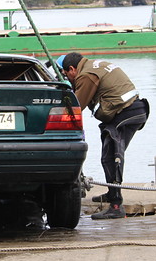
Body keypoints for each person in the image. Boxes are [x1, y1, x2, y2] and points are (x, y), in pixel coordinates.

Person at [59, 52, 149, 220]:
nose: (66, 76)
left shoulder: (86, 76)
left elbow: (76, 107)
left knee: (110, 157)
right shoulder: (94, 65)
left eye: (66, 73)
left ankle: (116, 206)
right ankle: (111, 192)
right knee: (111, 153)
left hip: (126, 113)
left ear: (72, 69)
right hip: (133, 110)